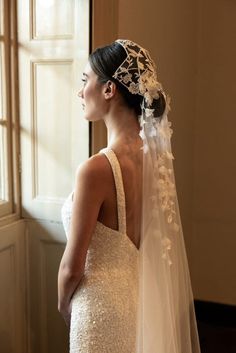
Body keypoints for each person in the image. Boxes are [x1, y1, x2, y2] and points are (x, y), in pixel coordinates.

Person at [58, 39, 201, 353]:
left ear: (109, 89)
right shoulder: (155, 161)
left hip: (98, 311)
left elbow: (72, 267)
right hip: (139, 305)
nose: (80, 92)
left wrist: (63, 304)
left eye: (85, 81)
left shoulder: (94, 170)